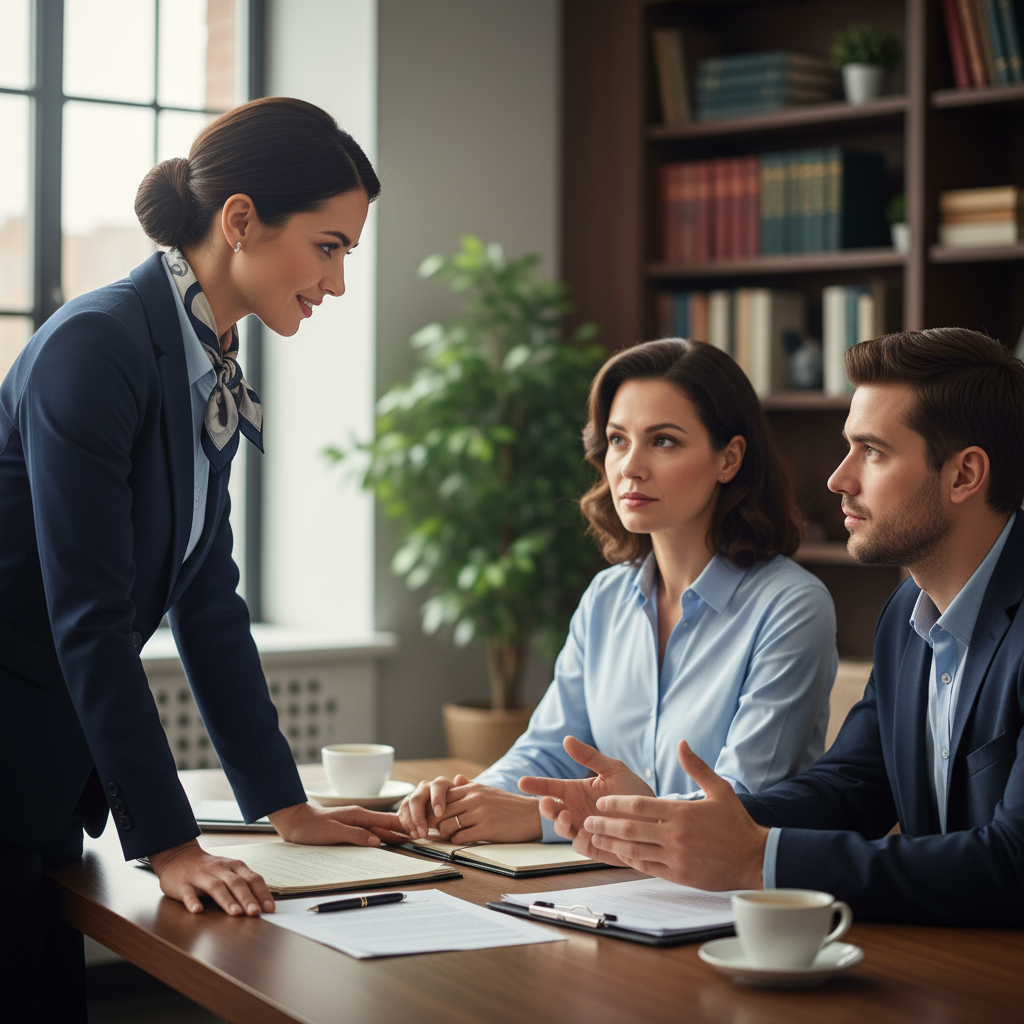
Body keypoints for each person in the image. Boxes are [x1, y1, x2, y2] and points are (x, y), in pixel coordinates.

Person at [0, 97, 406, 1022]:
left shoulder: (204, 357)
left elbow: (209, 600)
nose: (338, 282)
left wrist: (284, 806)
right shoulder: (99, 346)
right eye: (329, 247)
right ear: (241, 221)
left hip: (40, 782)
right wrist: (171, 845)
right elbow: (89, 618)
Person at [523, 328, 1024, 927]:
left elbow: (1013, 863)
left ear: (965, 474)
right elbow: (849, 789)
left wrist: (757, 858)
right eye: (847, 447)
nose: (839, 479)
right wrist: (669, 820)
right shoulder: (907, 615)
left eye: (872, 451)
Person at [399, 339, 837, 844]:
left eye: (663, 441)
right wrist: (465, 799)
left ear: (729, 459)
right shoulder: (606, 597)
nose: (630, 466)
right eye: (618, 440)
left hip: (722, 884)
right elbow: (548, 750)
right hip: (601, 874)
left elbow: (736, 802)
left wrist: (541, 818)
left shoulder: (792, 607)